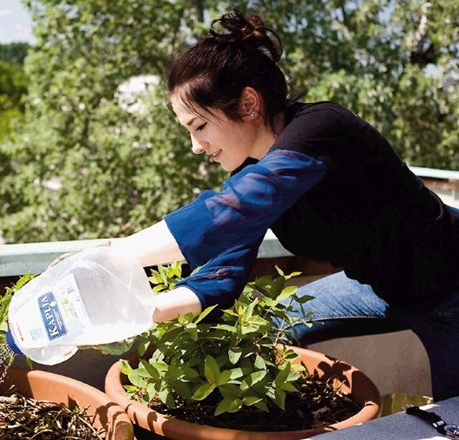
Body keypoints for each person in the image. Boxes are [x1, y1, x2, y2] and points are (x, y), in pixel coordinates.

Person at [60, 10, 459, 402]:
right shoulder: (254, 174)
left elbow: (230, 211)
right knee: (270, 325)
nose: (196, 147)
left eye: (199, 126)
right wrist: (138, 313)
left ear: (248, 103)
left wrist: (109, 257)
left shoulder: (324, 129)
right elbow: (222, 270)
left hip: (449, 290)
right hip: (378, 285)